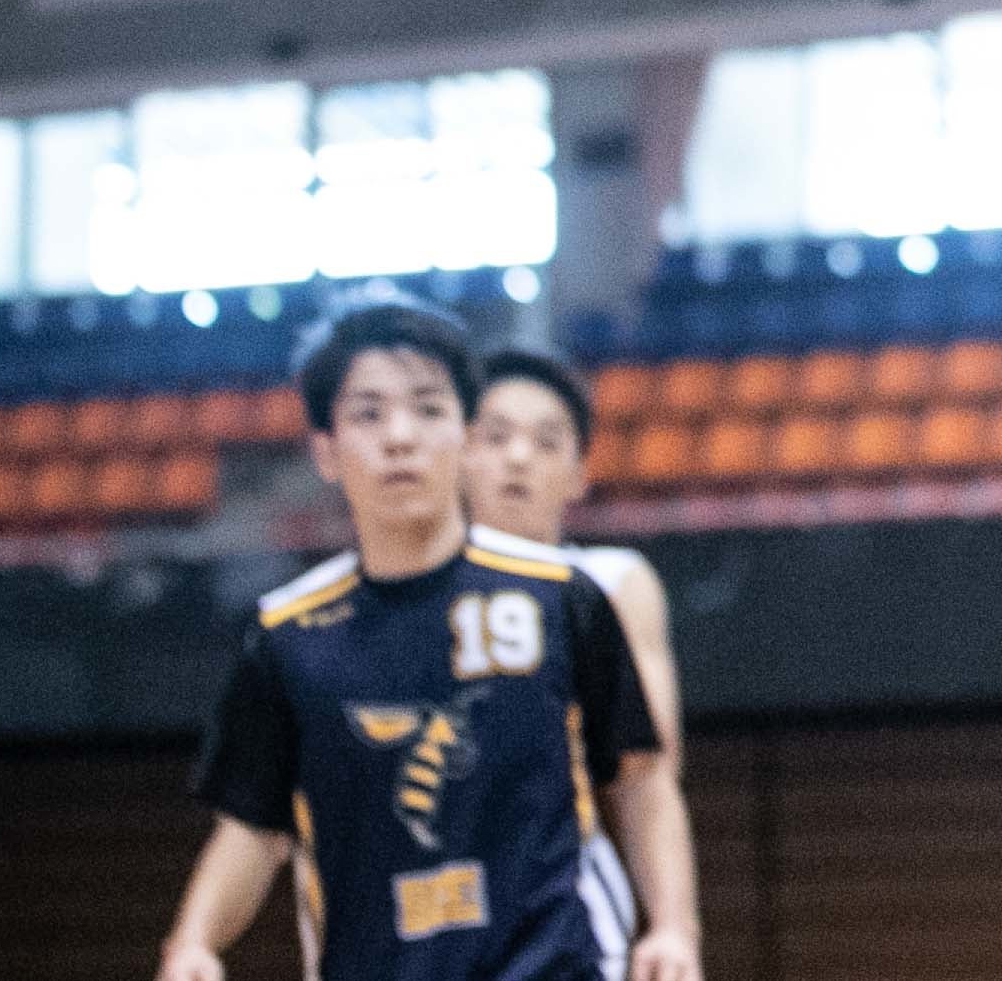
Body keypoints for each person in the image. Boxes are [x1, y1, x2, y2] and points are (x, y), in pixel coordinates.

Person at [154, 302, 695, 981]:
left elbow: (641, 777)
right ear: (325, 450)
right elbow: (253, 825)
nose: (400, 437)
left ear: (465, 436)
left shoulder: (564, 596)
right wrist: (194, 941)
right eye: (369, 414)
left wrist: (674, 927)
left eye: (428, 409)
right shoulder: (284, 636)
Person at [463, 349, 699, 981]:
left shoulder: (610, 583)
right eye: (496, 436)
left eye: (546, 441)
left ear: (578, 474)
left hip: (560, 900)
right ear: (459, 452)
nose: (518, 457)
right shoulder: (400, 595)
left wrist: (674, 927)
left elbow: (649, 775)